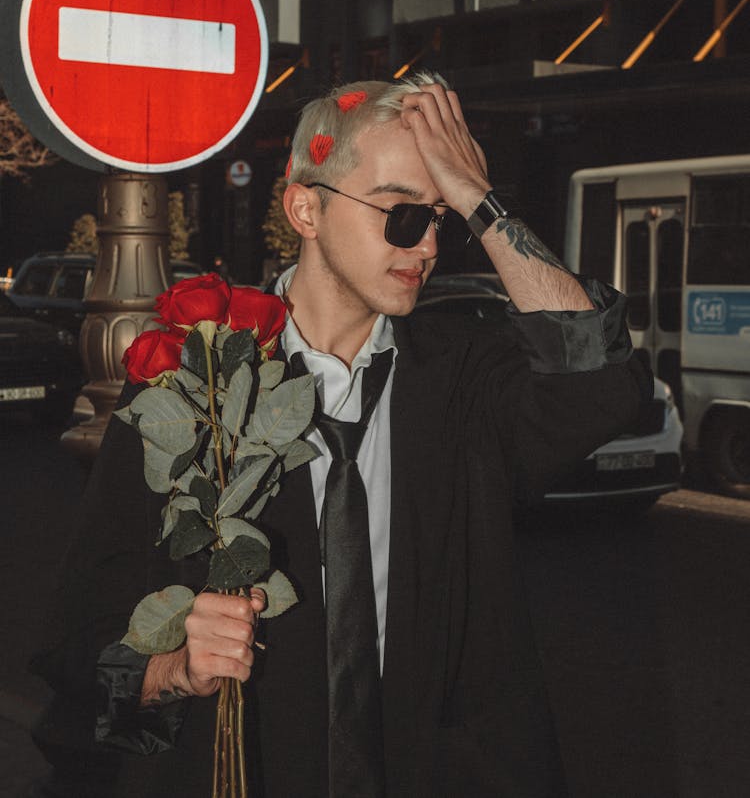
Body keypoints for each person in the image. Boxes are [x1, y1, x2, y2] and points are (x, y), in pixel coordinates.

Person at [33, 75, 650, 798]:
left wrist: (482, 202)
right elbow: (81, 645)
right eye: (398, 213)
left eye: (439, 217)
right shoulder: (188, 386)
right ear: (306, 207)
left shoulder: (463, 379)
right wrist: (171, 669)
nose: (425, 246)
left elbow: (600, 383)